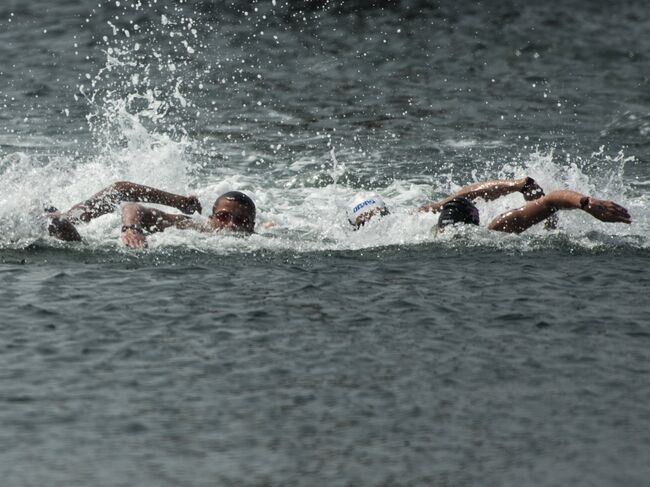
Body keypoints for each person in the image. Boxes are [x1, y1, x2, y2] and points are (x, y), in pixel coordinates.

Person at [347, 177, 631, 233]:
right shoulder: (411, 222)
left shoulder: (496, 229)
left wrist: (587, 203)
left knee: (547, 221)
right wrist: (586, 203)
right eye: (368, 221)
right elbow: (553, 199)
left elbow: (552, 199)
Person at [46, 181, 256, 248]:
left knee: (64, 228)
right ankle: (60, 221)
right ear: (211, 218)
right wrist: (132, 229)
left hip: (86, 236)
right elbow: (131, 206)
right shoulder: (196, 226)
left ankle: (62, 227)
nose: (231, 226)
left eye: (241, 221)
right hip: (102, 225)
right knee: (117, 192)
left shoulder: (258, 241)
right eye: (223, 217)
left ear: (251, 227)